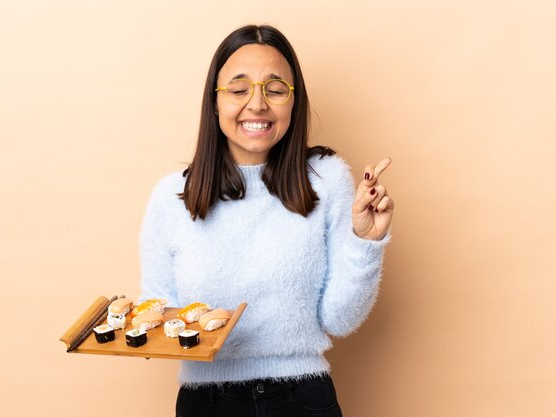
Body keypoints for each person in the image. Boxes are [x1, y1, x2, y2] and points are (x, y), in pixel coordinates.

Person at [138, 24, 394, 417]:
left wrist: (364, 242)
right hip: (205, 401)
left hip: (303, 399)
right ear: (214, 102)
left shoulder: (327, 180)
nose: (257, 105)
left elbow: (339, 321)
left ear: (294, 101)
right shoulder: (171, 197)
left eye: (274, 89)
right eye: (239, 90)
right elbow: (158, 309)